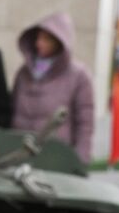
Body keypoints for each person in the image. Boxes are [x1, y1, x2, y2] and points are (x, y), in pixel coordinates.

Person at [10, 12, 95, 162]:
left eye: (46, 39)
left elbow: (85, 123)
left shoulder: (79, 76)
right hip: (21, 152)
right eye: (38, 37)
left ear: (59, 42)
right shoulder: (24, 72)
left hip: (56, 156)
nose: (38, 43)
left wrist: (80, 160)